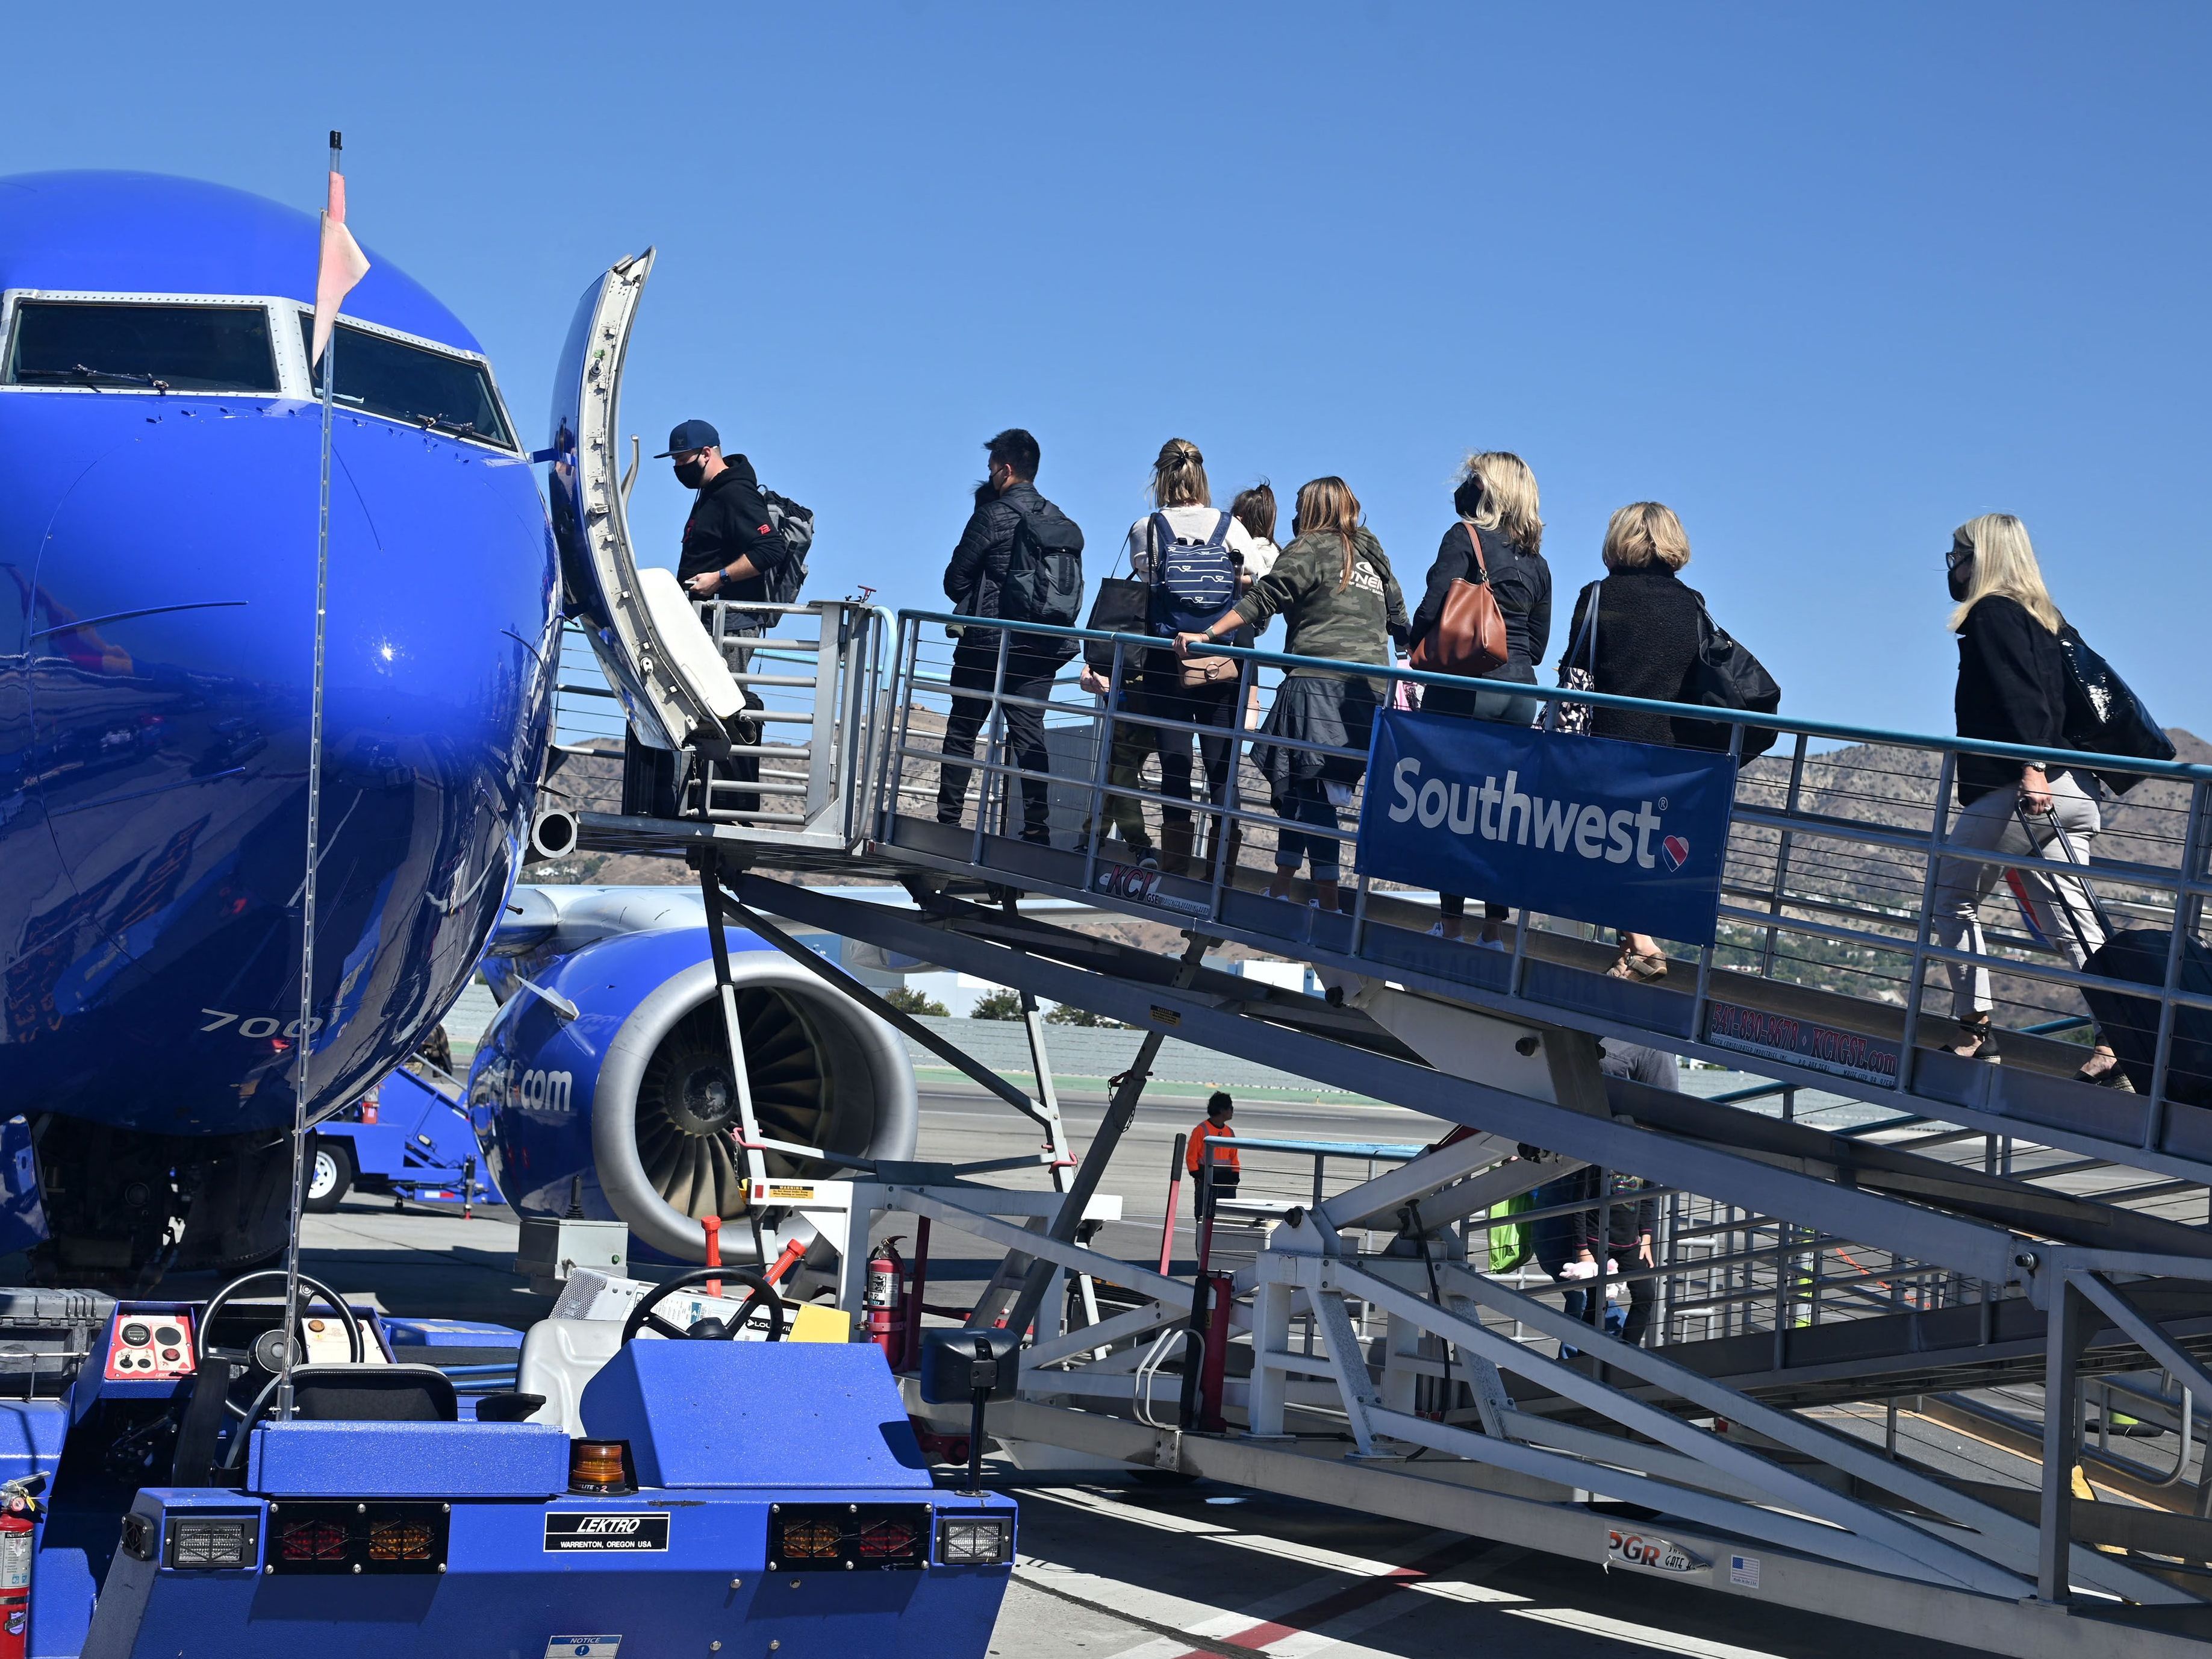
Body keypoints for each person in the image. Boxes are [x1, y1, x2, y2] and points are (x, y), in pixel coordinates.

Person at [1930, 514, 2120, 1084]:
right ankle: (2120, 1037)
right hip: (2072, 789)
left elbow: (2025, 700)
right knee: (2074, 926)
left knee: (1950, 898)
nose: (1952, 567)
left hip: (2020, 792)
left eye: (1956, 556)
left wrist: (2032, 770)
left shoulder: (1991, 615)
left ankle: (1974, 1028)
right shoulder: (2046, 617)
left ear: (1979, 558)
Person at [1177, 478, 1407, 911]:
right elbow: (1399, 617)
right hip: (1370, 690)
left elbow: (1265, 598)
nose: (1296, 518)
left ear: (1314, 510)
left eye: (1301, 508)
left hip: (1317, 682)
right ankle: (1282, 884)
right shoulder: (1374, 556)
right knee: (1305, 785)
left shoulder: (1311, 546)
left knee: (1311, 787)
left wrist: (1206, 633)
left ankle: (1328, 900)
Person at [1100, 440, 1270, 875]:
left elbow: (1146, 578)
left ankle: (1176, 870)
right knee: (1221, 770)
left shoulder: (1147, 526)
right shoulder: (1231, 527)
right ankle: (1221, 876)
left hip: (1167, 660)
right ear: (1201, 477)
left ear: (1161, 478)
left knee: (1176, 766)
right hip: (1221, 661)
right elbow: (1254, 578)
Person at [1409, 452, 1553, 945]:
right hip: (1518, 692)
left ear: (1487, 491)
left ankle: (1450, 923)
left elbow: (1433, 602)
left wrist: (1414, 643)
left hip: (1463, 688)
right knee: (1497, 814)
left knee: (1450, 808)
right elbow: (1536, 644)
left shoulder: (1463, 538)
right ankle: (1494, 929)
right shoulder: (1537, 562)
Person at [1560, 502, 1706, 983]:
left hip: (1608, 745)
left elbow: (1574, 674)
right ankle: (1632, 951)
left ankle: (1643, 945)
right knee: (1633, 850)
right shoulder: (1693, 604)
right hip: (1669, 754)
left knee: (1594, 846)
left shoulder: (1599, 596)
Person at [938, 429, 1084, 845]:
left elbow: (955, 580)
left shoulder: (992, 514)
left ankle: (949, 824)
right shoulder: (1058, 518)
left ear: (1004, 470)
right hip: (1042, 644)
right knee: (1029, 735)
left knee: (963, 730)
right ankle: (1036, 828)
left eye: (990, 469)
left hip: (988, 644)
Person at [662, 419, 798, 611]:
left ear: (706, 453)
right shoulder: (709, 493)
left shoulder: (735, 492)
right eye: (675, 461)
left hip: (728, 625)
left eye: (683, 459)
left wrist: (720, 578)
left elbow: (771, 548)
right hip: (702, 618)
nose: (678, 466)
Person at [1188, 1092, 1241, 1216]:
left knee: (1226, 1215)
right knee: (1204, 1214)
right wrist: (1198, 1175)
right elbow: (1191, 1155)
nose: (1232, 1111)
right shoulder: (1201, 1130)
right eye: (1231, 1108)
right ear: (1222, 1110)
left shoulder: (1229, 1132)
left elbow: (1234, 1157)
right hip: (1207, 1178)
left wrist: (1235, 1176)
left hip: (1226, 1180)